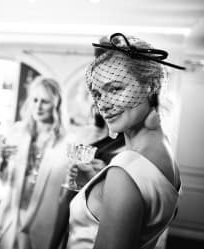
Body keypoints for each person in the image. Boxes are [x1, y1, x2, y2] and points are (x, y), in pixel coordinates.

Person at [64, 33, 184, 249]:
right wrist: (97, 189)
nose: (104, 104)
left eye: (115, 89)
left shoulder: (125, 170)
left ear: (150, 86)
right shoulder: (164, 154)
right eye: (98, 95)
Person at [0, 76, 69, 249]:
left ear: (57, 104)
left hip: (43, 222)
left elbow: (65, 194)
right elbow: (4, 181)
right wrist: (3, 161)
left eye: (45, 101)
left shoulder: (66, 143)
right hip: (11, 217)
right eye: (35, 100)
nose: (38, 107)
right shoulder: (18, 131)